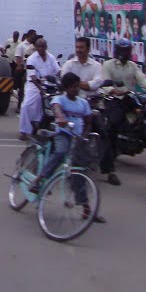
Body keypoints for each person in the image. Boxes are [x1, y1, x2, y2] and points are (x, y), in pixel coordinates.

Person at [28, 72, 106, 224]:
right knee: (60, 152)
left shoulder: (82, 103)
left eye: (77, 86)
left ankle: (86, 209)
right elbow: (56, 108)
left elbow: (88, 120)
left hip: (77, 138)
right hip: (63, 134)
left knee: (80, 170)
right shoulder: (60, 99)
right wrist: (61, 117)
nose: (75, 89)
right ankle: (39, 179)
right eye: (72, 87)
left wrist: (85, 133)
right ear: (66, 88)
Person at [99, 38, 146, 185]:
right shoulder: (108, 65)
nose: (125, 53)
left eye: (127, 51)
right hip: (113, 99)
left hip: (128, 98)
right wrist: (113, 90)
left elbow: (141, 79)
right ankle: (110, 170)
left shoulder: (132, 66)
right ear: (117, 51)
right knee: (113, 125)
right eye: (122, 50)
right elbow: (105, 83)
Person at [18, 37, 61, 141]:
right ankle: (24, 131)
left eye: (43, 46)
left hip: (50, 85)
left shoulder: (51, 57)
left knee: (53, 107)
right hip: (33, 86)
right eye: (39, 46)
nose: (41, 48)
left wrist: (63, 80)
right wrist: (41, 91)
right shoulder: (31, 59)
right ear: (36, 47)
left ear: (46, 47)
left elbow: (58, 71)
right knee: (26, 106)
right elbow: (33, 77)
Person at [13, 29, 38, 108]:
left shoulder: (35, 45)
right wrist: (21, 65)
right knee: (22, 88)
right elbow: (18, 59)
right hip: (24, 69)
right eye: (34, 35)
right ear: (29, 35)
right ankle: (19, 105)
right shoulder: (22, 45)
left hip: (35, 70)